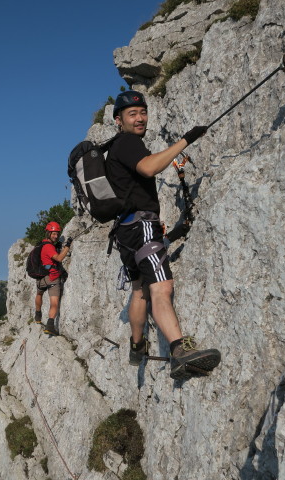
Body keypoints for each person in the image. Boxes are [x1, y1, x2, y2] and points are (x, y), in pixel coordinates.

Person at [107, 90, 221, 380]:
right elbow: (148, 168)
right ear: (118, 120)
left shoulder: (115, 148)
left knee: (139, 290)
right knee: (161, 287)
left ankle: (137, 346)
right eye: (132, 114)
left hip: (124, 232)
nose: (140, 118)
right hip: (142, 226)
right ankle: (180, 351)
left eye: (143, 112)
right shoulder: (128, 142)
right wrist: (186, 139)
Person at [34, 221, 71, 336]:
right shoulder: (49, 247)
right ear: (48, 233)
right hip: (52, 277)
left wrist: (57, 246)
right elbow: (59, 258)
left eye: (57, 234)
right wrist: (67, 246)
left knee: (39, 294)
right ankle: (50, 326)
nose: (56, 236)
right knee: (54, 303)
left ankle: (38, 315)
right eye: (53, 234)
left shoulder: (41, 244)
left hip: (41, 277)